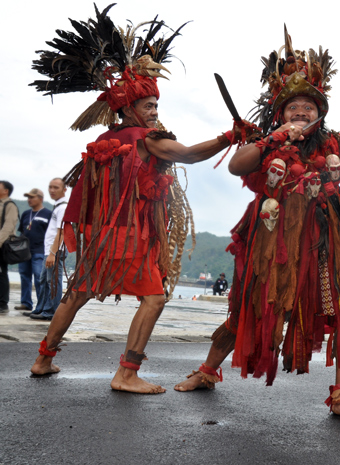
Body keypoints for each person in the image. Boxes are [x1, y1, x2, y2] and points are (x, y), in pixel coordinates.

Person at [173, 28, 340, 424]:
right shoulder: (266, 142)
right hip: (273, 243)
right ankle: (207, 371)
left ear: (320, 112)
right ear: (281, 112)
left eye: (309, 107)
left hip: (328, 242)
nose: (302, 112)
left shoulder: (332, 145)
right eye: (294, 108)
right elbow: (237, 165)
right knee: (245, 310)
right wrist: (273, 138)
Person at [28, 6, 234, 394]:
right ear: (127, 109)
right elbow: (189, 154)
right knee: (154, 299)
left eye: (157, 107)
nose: (155, 113)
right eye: (148, 107)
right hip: (131, 238)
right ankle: (126, 373)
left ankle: (43, 358)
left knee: (76, 295)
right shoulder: (148, 141)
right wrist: (228, 137)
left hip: (103, 237)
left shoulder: (104, 144)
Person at [27, 180, 68, 321]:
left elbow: (61, 232)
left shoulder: (62, 208)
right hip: (48, 251)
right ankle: (41, 309)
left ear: (64, 189)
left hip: (54, 251)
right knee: (44, 280)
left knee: (53, 281)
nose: (52, 190)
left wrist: (53, 253)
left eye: (56, 187)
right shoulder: (57, 206)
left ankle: (51, 312)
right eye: (50, 187)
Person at [15, 188, 51, 312]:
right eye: (28, 197)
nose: (29, 200)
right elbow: (22, 231)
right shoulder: (25, 214)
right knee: (24, 276)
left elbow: (52, 233)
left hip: (40, 250)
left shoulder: (48, 214)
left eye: (32, 197)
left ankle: (41, 306)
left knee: (39, 277)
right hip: (24, 251)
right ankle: (26, 303)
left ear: (40, 199)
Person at [0, 180, 19, 312]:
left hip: (2, 244)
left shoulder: (10, 205)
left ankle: (2, 303)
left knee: (1, 273)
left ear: (6, 190)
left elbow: (9, 226)